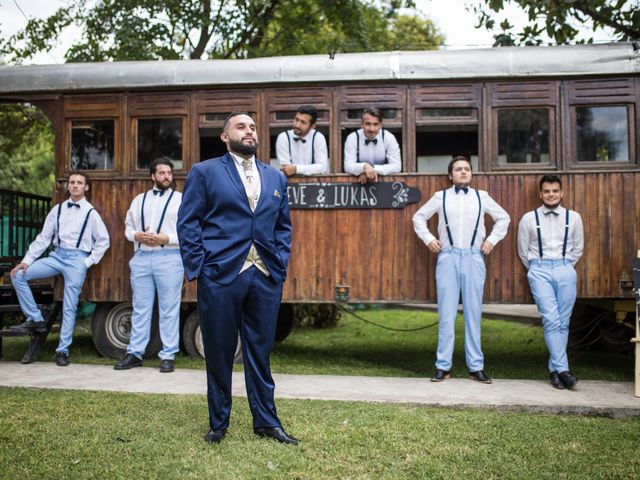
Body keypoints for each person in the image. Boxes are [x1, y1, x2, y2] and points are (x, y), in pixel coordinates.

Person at [177, 112, 298, 445]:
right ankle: (219, 424)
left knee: (260, 351)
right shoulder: (204, 172)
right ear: (224, 136)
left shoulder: (275, 178)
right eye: (241, 126)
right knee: (219, 351)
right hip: (220, 275)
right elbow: (188, 223)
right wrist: (199, 267)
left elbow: (283, 227)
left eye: (253, 127)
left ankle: (267, 423)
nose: (249, 131)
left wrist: (281, 263)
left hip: (265, 276)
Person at [412, 156, 510, 384]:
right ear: (450, 175)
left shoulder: (481, 197)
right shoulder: (441, 197)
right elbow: (418, 217)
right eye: (458, 169)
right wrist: (428, 239)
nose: (463, 172)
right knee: (446, 314)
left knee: (473, 314)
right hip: (448, 257)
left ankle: (476, 367)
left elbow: (503, 218)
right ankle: (442, 366)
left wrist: (492, 240)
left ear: (471, 173)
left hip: (474, 257)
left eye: (467, 169)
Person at [10, 171, 110, 366]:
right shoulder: (57, 210)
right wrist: (27, 260)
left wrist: (87, 262)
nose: (75, 185)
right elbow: (43, 238)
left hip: (77, 260)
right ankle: (36, 318)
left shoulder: (91, 213)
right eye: (72, 182)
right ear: (68, 186)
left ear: (86, 187)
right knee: (18, 275)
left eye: (79, 183)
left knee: (70, 306)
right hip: (57, 256)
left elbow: (104, 241)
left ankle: (62, 351)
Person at [114, 158, 183, 374]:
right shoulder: (139, 200)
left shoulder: (180, 199)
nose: (166, 177)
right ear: (153, 176)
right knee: (140, 308)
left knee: (169, 308)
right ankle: (134, 353)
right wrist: (137, 235)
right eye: (161, 173)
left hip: (170, 257)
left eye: (169, 173)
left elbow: (189, 231)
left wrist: (167, 238)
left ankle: (168, 355)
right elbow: (127, 227)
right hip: (142, 257)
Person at [517, 175, 584, 390]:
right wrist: (537, 268)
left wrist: (565, 266)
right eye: (547, 191)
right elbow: (523, 250)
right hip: (539, 269)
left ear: (561, 193)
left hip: (566, 268)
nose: (551, 194)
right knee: (551, 319)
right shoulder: (529, 218)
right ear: (540, 194)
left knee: (563, 322)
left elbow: (578, 248)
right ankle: (563, 369)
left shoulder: (574, 217)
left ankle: (555, 373)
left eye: (555, 190)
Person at [343, 107, 401, 184]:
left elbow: (397, 166)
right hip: (359, 185)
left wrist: (371, 170)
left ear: (381, 125)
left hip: (384, 185)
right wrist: (364, 167)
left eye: (375, 124)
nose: (371, 129)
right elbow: (348, 166)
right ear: (362, 125)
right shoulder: (352, 138)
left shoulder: (388, 137)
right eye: (368, 124)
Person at [275, 105, 329, 176]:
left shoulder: (318, 137)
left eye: (303, 122)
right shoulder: (283, 137)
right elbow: (286, 169)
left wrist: (296, 169)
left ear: (313, 126)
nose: (297, 125)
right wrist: (311, 169)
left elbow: (323, 168)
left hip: (313, 185)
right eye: (296, 120)